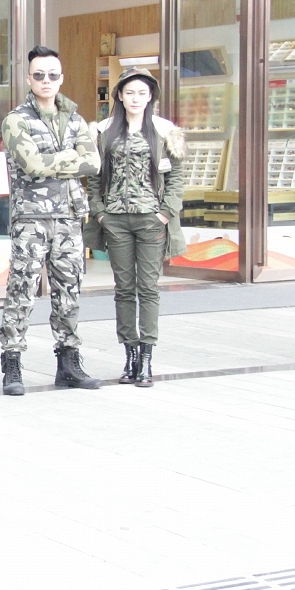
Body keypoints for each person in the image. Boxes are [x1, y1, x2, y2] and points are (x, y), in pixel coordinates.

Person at [0, 46, 103, 396]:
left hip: (69, 216)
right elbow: (31, 165)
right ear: (28, 78)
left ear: (61, 79)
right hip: (31, 218)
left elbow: (94, 163)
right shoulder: (17, 120)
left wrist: (54, 160)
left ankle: (69, 363)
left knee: (69, 291)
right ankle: (12, 363)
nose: (46, 80)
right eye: (39, 75)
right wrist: (71, 156)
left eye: (52, 75)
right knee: (22, 291)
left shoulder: (75, 119)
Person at [85, 68, 186, 387]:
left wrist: (165, 213)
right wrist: (100, 213)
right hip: (115, 219)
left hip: (151, 219)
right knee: (124, 289)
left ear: (151, 96)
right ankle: (129, 355)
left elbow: (176, 177)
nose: (136, 98)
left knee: (149, 288)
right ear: (119, 95)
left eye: (142, 93)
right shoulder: (103, 131)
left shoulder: (164, 130)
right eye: (129, 92)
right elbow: (94, 178)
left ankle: (146, 358)